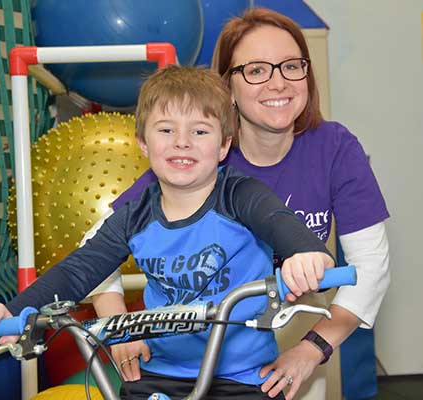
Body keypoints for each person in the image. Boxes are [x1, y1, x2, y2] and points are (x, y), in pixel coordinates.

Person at [0, 65, 335, 400]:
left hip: (239, 376)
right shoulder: (135, 215)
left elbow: (279, 223)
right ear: (143, 143)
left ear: (224, 145)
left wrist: (306, 255)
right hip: (160, 372)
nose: (182, 141)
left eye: (200, 130)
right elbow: (81, 268)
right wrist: (12, 310)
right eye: (166, 130)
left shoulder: (241, 196)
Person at [91, 8, 390, 400]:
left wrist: (311, 349)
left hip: (294, 321)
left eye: (291, 66)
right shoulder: (199, 153)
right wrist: (119, 329)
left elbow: (370, 266)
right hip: (200, 340)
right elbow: (95, 246)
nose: (277, 82)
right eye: (256, 70)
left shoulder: (334, 147)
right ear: (227, 86)